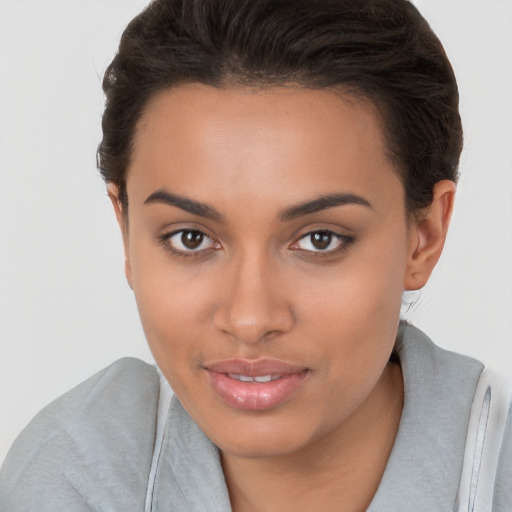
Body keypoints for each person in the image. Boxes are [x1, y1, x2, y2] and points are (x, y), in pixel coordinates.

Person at [0, 0, 510, 510]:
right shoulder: (74, 472)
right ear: (126, 228)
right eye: (191, 238)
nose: (249, 320)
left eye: (320, 239)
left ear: (423, 235)